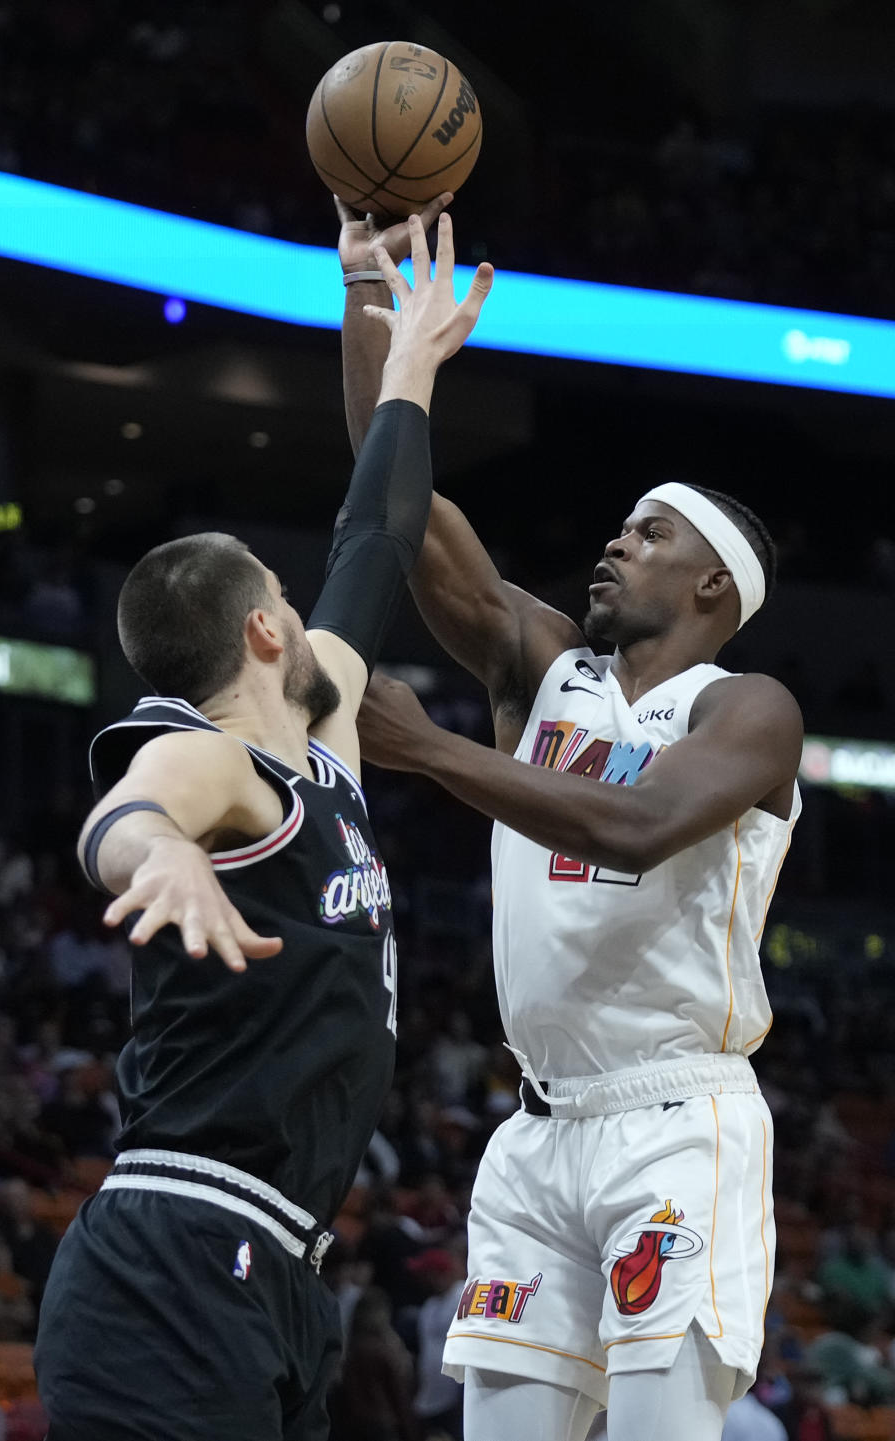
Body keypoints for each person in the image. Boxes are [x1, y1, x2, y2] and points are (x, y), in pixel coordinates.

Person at [337, 205, 802, 1441]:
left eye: (648, 533)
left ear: (713, 585)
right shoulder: (546, 669)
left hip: (676, 1119)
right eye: (619, 525)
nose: (615, 541)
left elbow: (642, 828)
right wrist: (373, 314)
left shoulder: (747, 709)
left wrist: (429, 748)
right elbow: (404, 512)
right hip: (538, 1131)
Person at [33, 209, 493, 1441]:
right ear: (260, 633)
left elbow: (376, 533)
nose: (307, 604)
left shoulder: (320, 742)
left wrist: (394, 339)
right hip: (172, 1262)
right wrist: (165, 854)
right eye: (285, 597)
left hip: (277, 1269)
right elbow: (127, 815)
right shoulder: (219, 760)